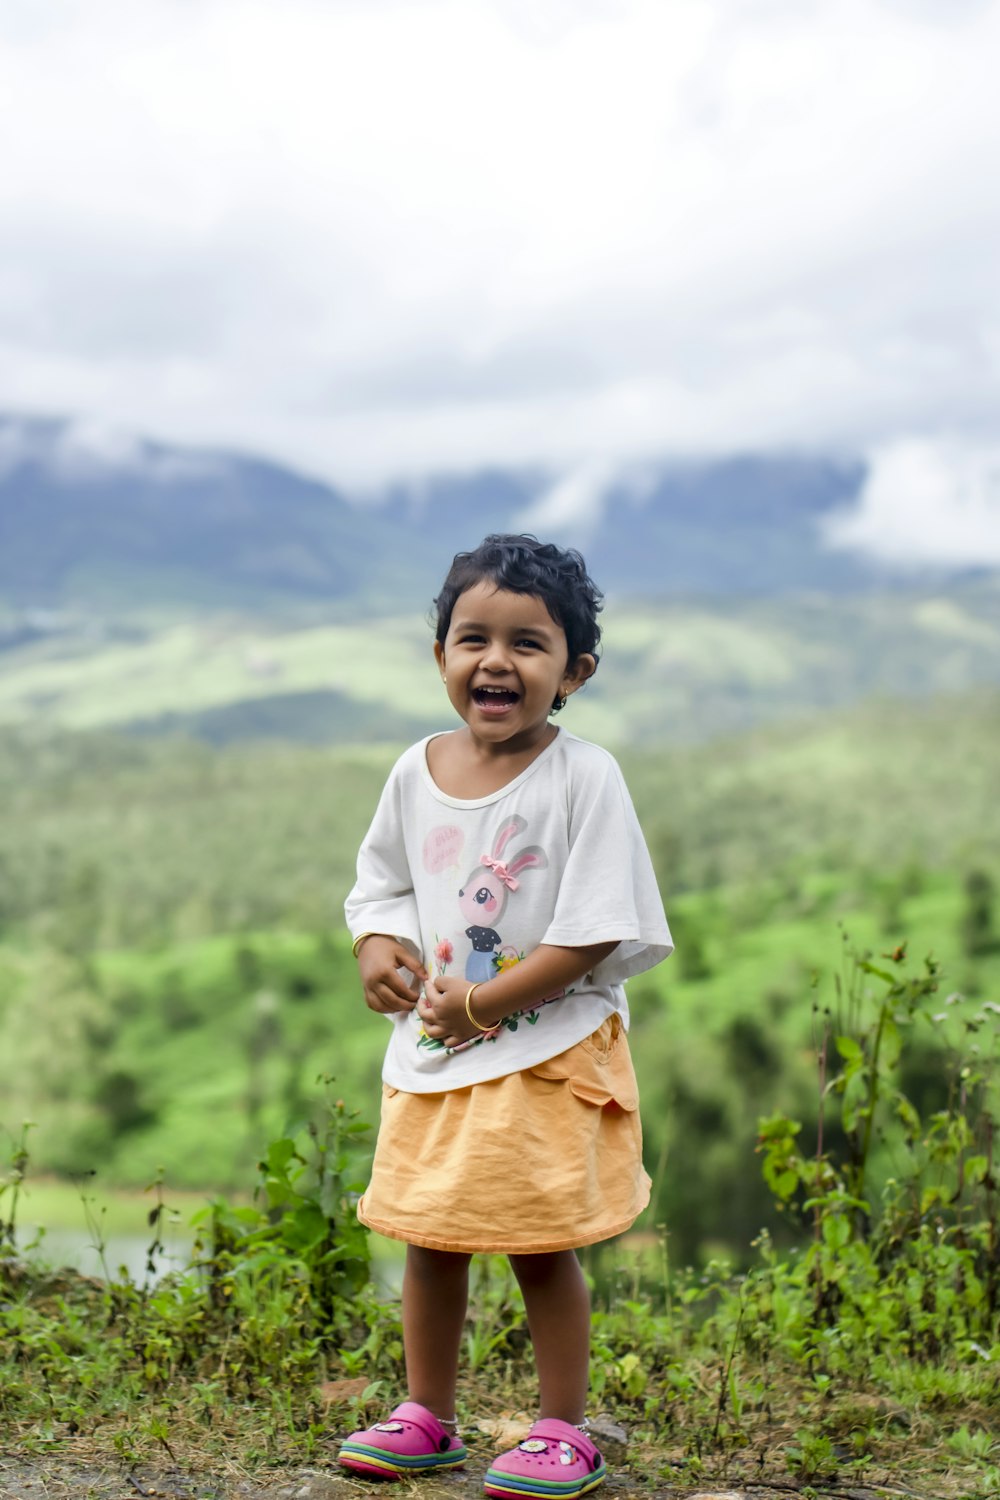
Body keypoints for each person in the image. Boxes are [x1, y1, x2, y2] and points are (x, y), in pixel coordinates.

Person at [338, 534, 672, 1498]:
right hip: (438, 1053)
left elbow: (597, 934)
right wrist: (378, 951)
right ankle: (426, 1415)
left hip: (543, 1049)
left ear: (576, 671)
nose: (496, 660)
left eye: (529, 643)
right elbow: (382, 886)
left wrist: (483, 1002)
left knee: (537, 1241)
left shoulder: (583, 778)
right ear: (441, 654)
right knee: (432, 1234)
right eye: (472, 637)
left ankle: (562, 1428)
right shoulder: (416, 770)